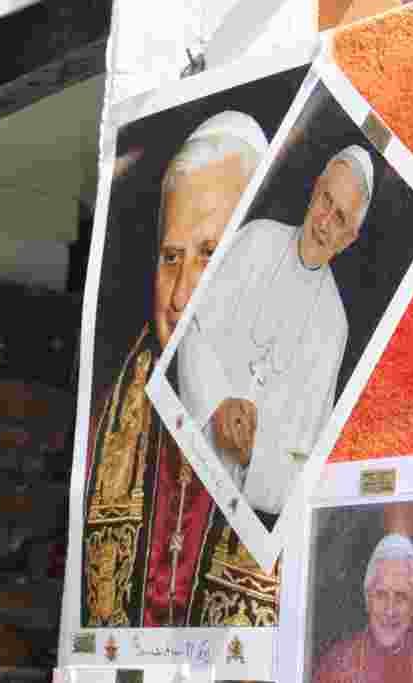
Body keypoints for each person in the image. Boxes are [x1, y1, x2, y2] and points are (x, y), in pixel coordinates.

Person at [82, 111, 278, 628]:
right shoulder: (108, 409)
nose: (182, 294)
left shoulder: (307, 396)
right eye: (171, 258)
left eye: (210, 255)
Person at [177, 145, 373, 525]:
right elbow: (191, 326)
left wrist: (255, 455)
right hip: (182, 456)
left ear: (350, 237)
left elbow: (305, 464)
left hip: (235, 517)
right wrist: (216, 403)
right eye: (325, 200)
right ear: (314, 189)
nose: (323, 222)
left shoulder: (335, 328)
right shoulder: (256, 239)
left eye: (340, 218)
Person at [312, 535, 413, 683]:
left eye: (401, 596)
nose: (390, 610)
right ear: (367, 599)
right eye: (381, 595)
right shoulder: (335, 666)